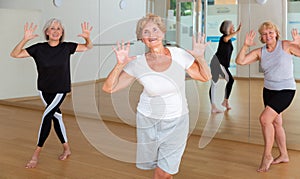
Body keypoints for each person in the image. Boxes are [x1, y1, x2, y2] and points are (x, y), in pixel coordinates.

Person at [102, 13, 211, 179]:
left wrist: (200, 58)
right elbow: (109, 88)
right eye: (146, 32)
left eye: (155, 30)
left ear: (162, 32)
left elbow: (205, 77)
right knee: (163, 170)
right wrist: (119, 65)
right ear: (141, 37)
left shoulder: (179, 55)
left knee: (163, 171)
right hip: (147, 121)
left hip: (177, 120)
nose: (151, 35)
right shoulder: (137, 63)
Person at [10, 18, 93, 168]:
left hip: (60, 90)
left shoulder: (67, 47)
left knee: (47, 117)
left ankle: (36, 154)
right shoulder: (38, 48)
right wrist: (24, 39)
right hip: (43, 90)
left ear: (62, 33)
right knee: (57, 118)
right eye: (52, 28)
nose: (56, 31)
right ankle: (67, 148)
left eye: (59, 29)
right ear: (47, 32)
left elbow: (88, 47)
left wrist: (87, 37)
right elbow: (15, 54)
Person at [236, 21, 300, 172]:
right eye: (265, 34)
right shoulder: (260, 52)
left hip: (286, 90)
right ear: (262, 38)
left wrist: (297, 43)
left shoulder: (285, 46)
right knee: (276, 123)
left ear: (276, 34)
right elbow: (240, 61)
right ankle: (284, 154)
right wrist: (245, 46)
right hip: (269, 91)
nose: (268, 35)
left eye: (271, 32)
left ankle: (267, 156)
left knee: (264, 120)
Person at [209, 20, 241, 113]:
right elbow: (226, 39)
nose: (234, 27)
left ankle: (225, 102)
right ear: (227, 28)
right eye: (232, 26)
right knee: (215, 84)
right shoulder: (224, 38)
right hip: (217, 63)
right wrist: (237, 32)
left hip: (222, 64)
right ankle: (215, 106)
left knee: (230, 80)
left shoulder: (228, 39)